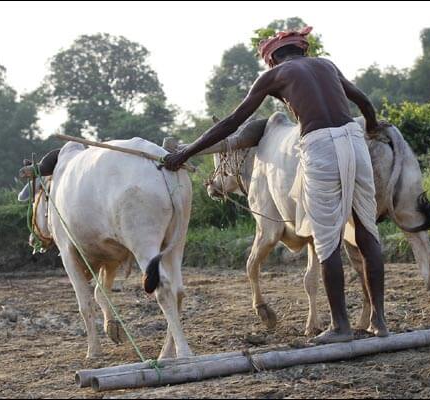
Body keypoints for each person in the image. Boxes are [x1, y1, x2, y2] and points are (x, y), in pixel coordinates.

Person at [163, 26, 389, 343]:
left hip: (319, 145)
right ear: (302, 50)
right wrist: (374, 126)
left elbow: (231, 122)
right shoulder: (326, 65)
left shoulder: (273, 76)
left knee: (327, 241)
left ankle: (341, 327)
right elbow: (364, 102)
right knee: (366, 230)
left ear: (271, 60)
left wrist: (186, 152)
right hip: (354, 139)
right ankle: (379, 321)